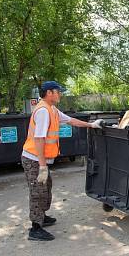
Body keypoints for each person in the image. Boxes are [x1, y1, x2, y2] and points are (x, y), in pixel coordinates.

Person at [22, 81, 104, 241]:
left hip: (38, 159)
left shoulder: (51, 109)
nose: (60, 94)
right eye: (58, 92)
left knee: (46, 187)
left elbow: (71, 120)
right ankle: (35, 228)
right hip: (34, 159)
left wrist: (91, 125)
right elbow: (39, 139)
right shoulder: (43, 111)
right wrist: (42, 166)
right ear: (49, 93)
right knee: (38, 191)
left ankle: (42, 216)